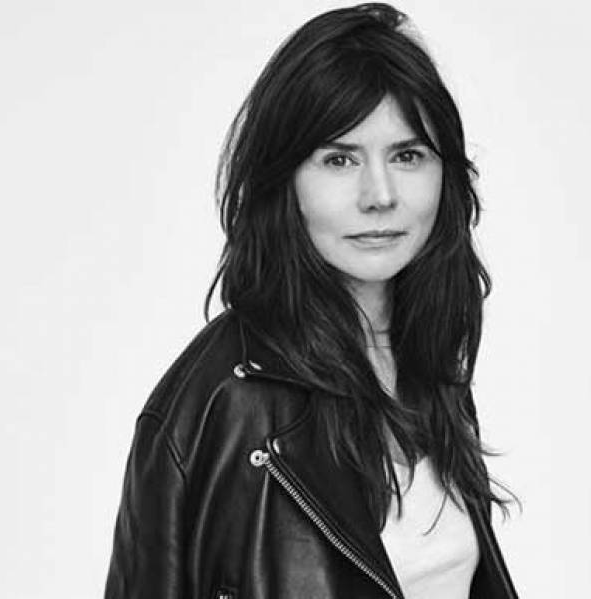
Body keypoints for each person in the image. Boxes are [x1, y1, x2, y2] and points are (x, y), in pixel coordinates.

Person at [105, 3, 519, 598]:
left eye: (407, 155)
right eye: (339, 159)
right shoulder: (220, 407)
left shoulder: (428, 365)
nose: (379, 195)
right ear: (286, 182)